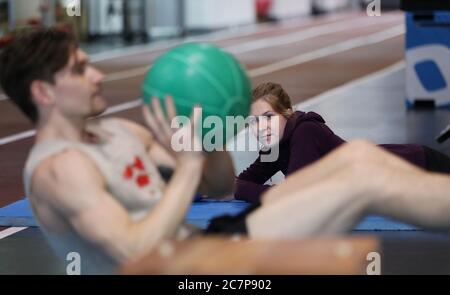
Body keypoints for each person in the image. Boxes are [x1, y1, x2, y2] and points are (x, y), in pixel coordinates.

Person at [2, 28, 450, 275]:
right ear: (43, 91)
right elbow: (132, 250)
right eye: (80, 69)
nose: (97, 74)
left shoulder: (118, 132)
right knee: (363, 178)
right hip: (179, 268)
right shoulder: (59, 170)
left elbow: (218, 184)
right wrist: (188, 166)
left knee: (360, 160)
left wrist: (209, 141)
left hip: (208, 242)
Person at [235, 82, 450, 203]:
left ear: (287, 112)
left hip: (415, 166)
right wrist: (210, 184)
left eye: (268, 117)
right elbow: (244, 180)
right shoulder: (274, 144)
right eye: (253, 122)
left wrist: (238, 189)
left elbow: (292, 197)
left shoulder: (305, 132)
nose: (261, 127)